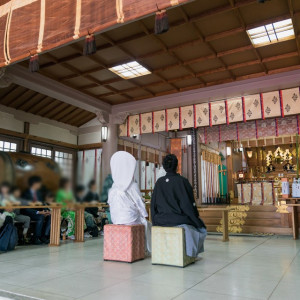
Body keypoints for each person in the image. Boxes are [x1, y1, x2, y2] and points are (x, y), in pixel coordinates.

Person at [151, 154, 207, 258]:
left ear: (164, 167)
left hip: (161, 220)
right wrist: (196, 219)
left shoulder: (159, 182)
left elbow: (153, 205)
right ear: (177, 166)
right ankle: (191, 253)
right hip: (178, 220)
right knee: (201, 228)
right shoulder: (182, 181)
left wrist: (155, 222)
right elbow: (188, 206)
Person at [108, 151, 151, 253]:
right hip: (130, 219)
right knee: (146, 223)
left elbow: (110, 204)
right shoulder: (132, 186)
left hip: (115, 219)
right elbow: (139, 203)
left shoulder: (113, 187)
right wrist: (144, 214)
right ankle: (141, 249)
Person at [22, 176, 51, 245]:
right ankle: (36, 238)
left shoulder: (38, 193)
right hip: (28, 212)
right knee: (40, 217)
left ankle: (44, 236)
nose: (40, 185)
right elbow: (26, 208)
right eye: (39, 183)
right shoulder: (25, 193)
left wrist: (46, 211)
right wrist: (38, 212)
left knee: (50, 216)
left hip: (38, 212)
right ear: (35, 184)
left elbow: (42, 204)